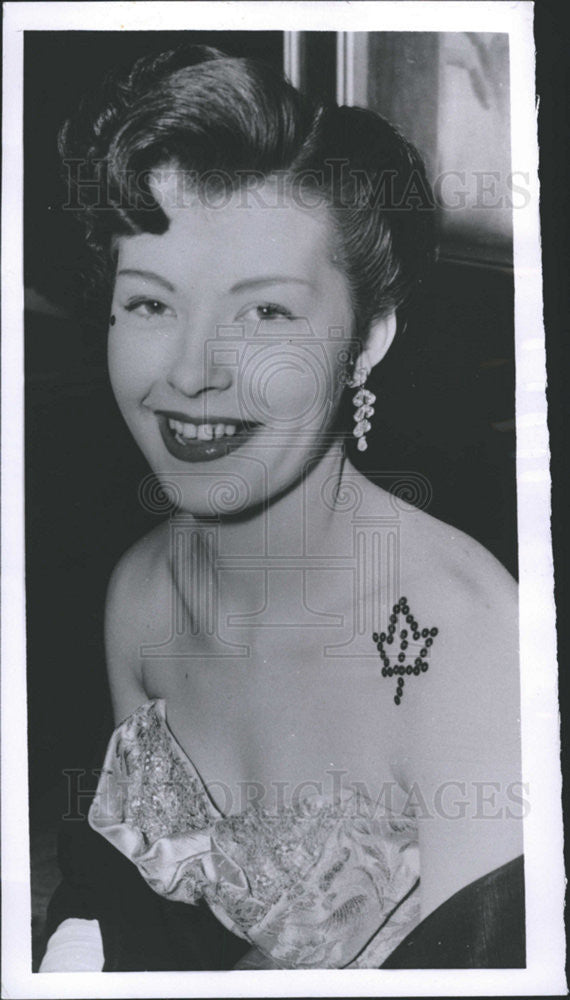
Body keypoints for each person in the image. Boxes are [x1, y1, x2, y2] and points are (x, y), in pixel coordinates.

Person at [39, 44, 524, 972]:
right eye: (149, 304)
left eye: (265, 315)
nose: (189, 373)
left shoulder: (467, 646)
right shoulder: (140, 600)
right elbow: (143, 924)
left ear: (367, 342)